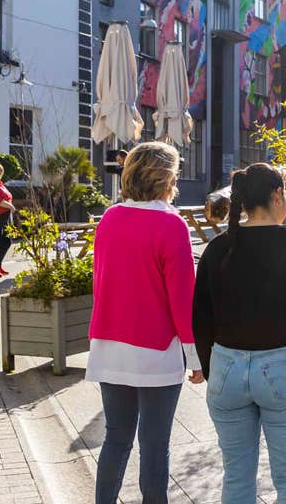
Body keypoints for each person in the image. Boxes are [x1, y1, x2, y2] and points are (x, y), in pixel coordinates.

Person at [193, 163, 286, 504]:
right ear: (277, 195)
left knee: (236, 477)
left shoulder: (217, 249)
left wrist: (213, 370)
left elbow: (200, 318)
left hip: (227, 368)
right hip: (283, 367)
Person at [86, 142, 203, 504]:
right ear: (167, 178)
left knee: (116, 439)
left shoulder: (109, 218)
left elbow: (100, 282)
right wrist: (196, 357)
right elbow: (183, 300)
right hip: (156, 351)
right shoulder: (171, 224)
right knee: (154, 444)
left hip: (109, 346)